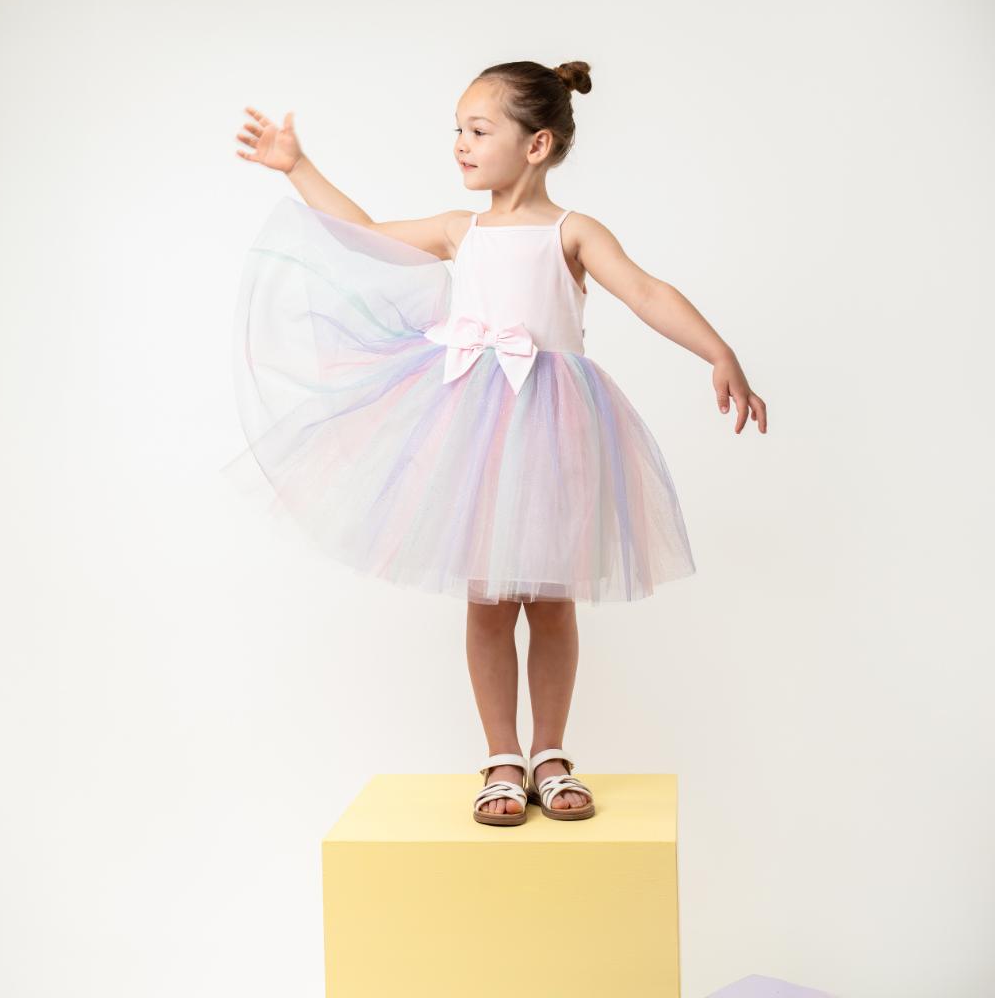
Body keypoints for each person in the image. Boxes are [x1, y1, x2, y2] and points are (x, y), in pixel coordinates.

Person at [227, 60, 767, 827]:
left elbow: (645, 291)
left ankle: (551, 752)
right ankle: (502, 757)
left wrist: (718, 352)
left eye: (479, 130)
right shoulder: (462, 230)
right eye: (457, 128)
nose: (460, 143)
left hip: (553, 427)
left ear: (537, 143)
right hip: (476, 429)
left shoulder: (572, 231)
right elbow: (369, 237)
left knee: (549, 601)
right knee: (487, 602)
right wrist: (298, 166)